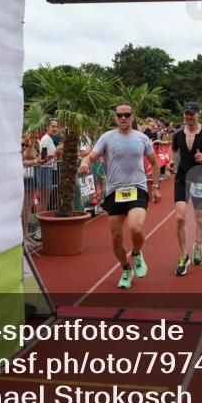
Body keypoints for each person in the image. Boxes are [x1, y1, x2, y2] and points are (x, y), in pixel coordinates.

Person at [79, 103, 160, 289]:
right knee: (116, 237)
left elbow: (155, 163)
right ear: (115, 117)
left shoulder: (142, 138)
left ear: (133, 116)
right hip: (114, 191)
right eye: (119, 115)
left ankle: (137, 253)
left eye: (127, 115)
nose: (123, 118)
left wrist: (155, 186)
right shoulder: (107, 137)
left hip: (137, 189)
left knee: (136, 229)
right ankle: (126, 269)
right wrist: (84, 162)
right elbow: (90, 157)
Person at [170, 102, 202, 275]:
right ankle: (184, 256)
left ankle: (198, 245)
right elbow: (174, 149)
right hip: (182, 179)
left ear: (198, 114)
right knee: (180, 218)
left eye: (192, 114)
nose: (189, 117)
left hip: (199, 179)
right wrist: (171, 161)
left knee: (199, 216)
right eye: (186, 114)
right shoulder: (177, 133)